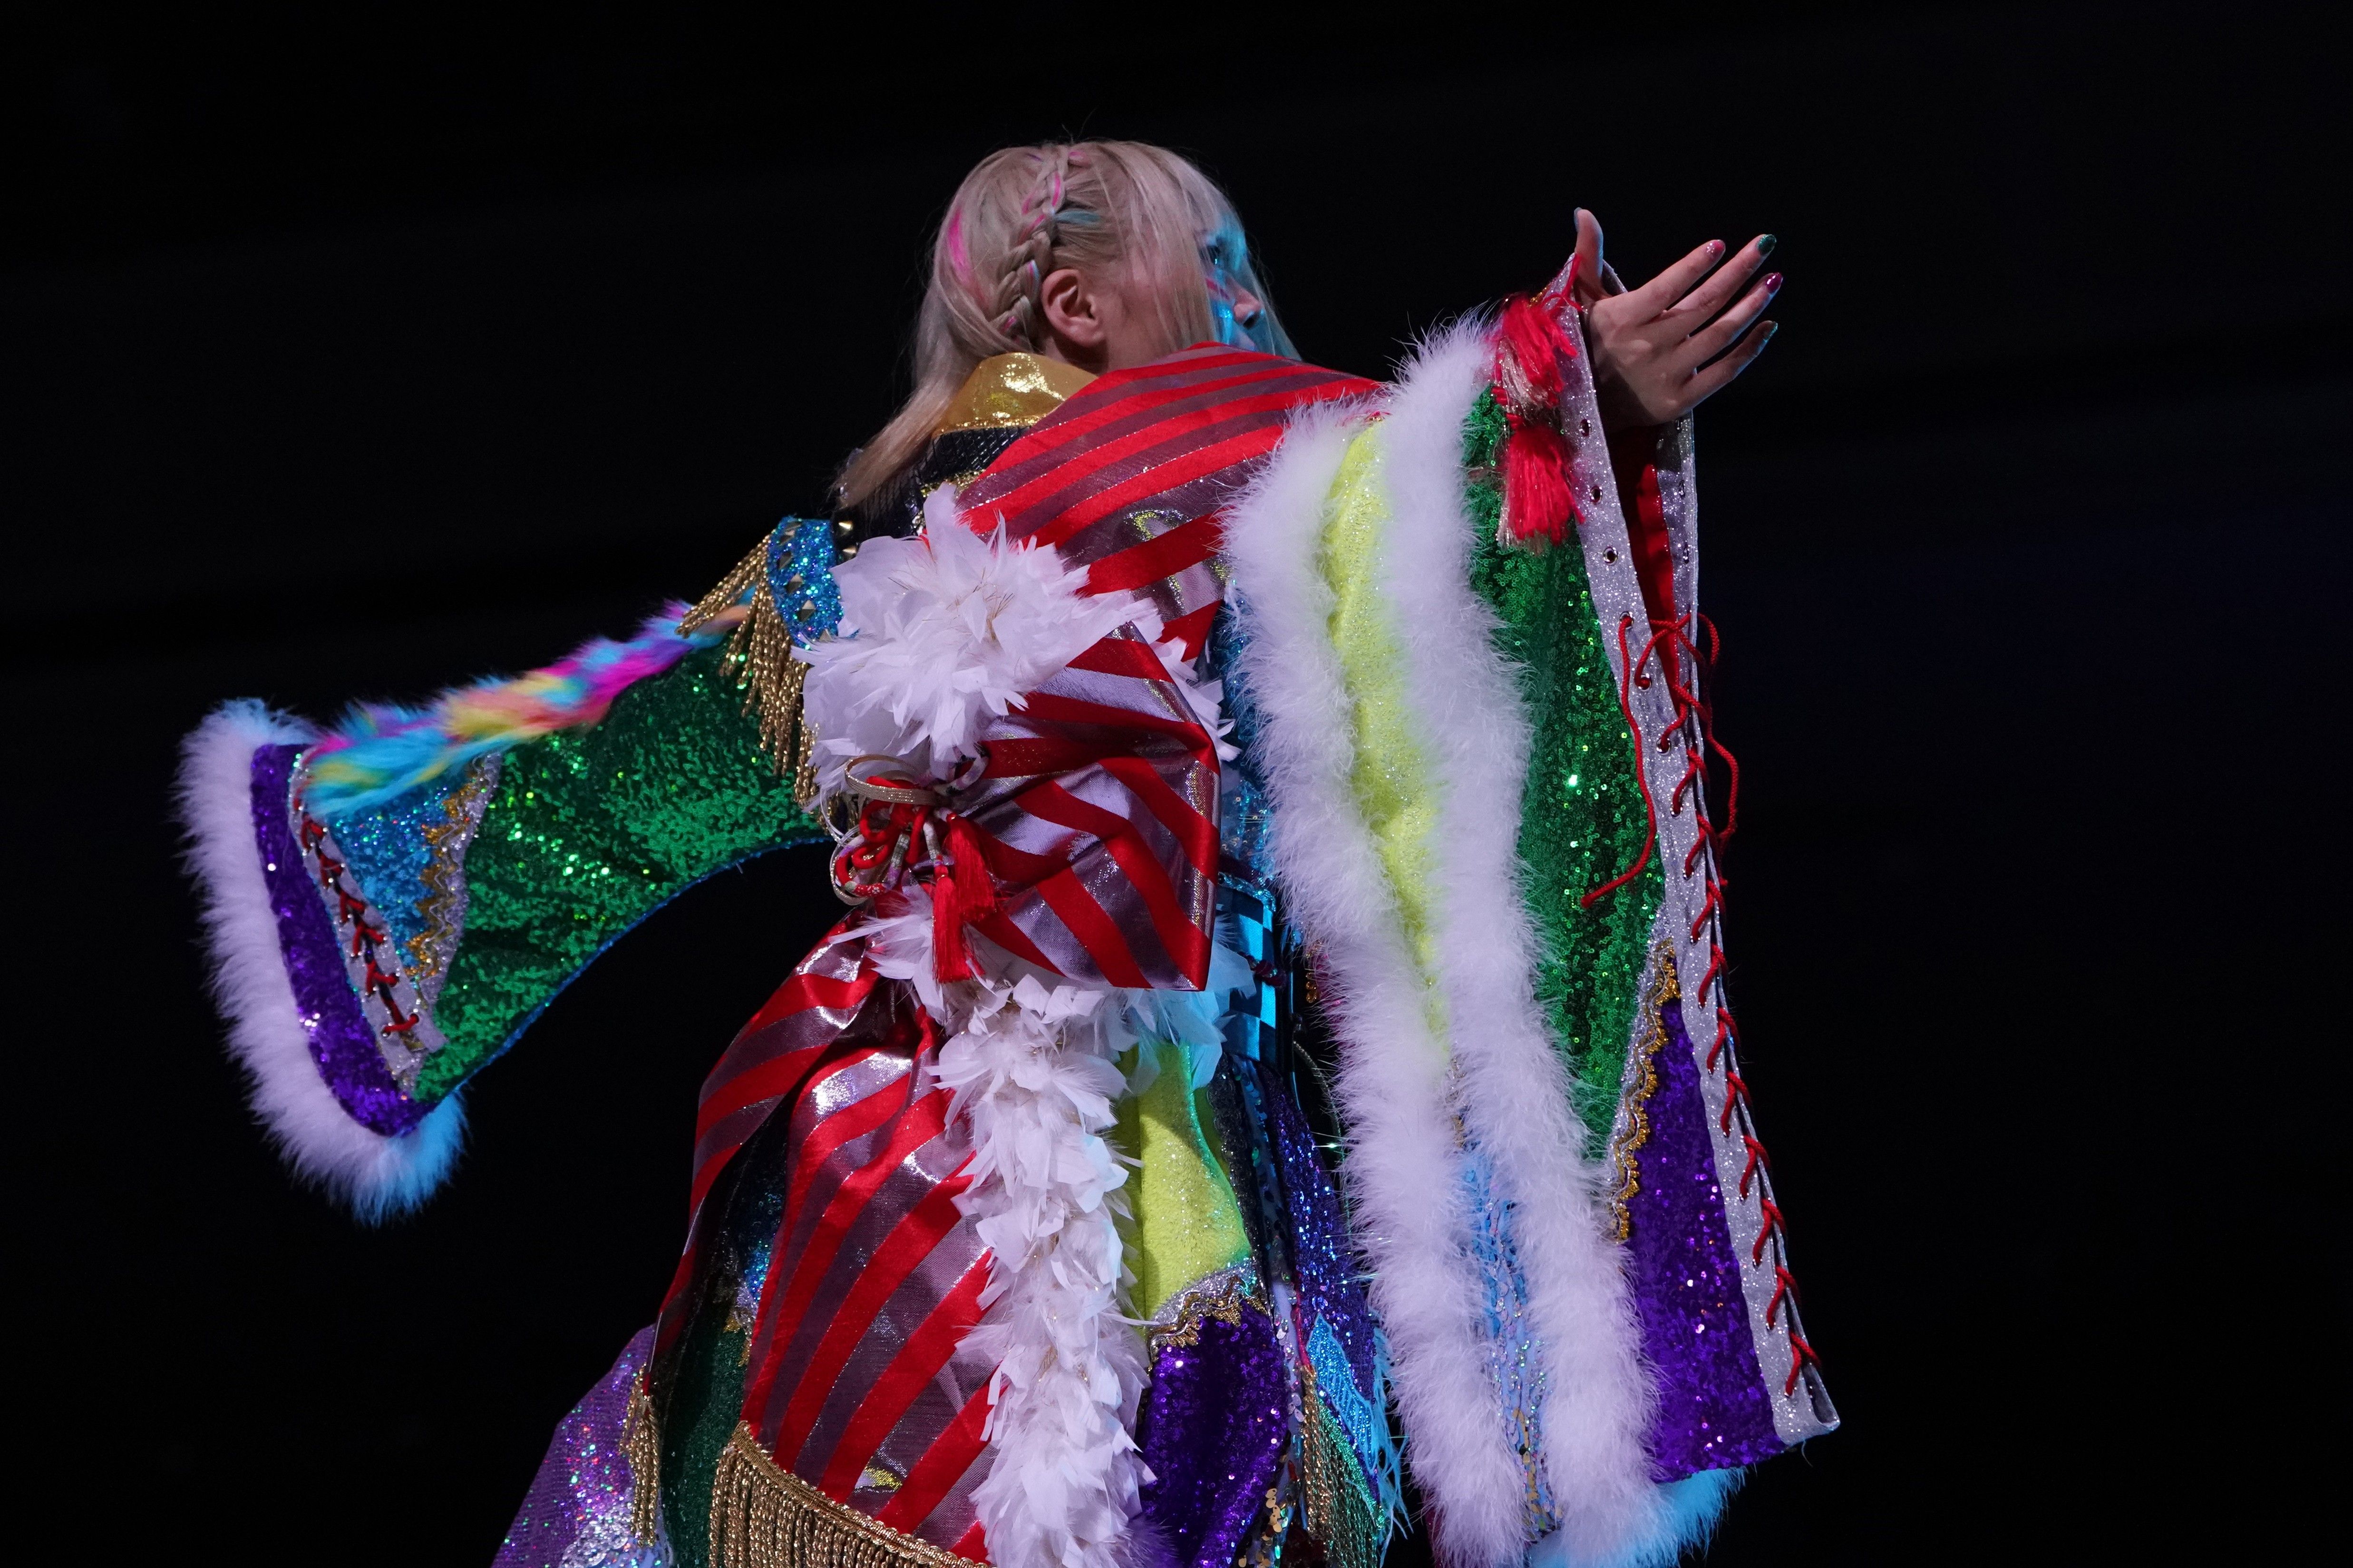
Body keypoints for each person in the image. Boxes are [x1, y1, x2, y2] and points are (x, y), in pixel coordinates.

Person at [180, 139, 1833, 1568]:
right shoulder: (1151, 490)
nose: (1253, 300)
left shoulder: (902, 560)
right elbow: (1396, 479)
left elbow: (594, 773)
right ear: (1077, 308)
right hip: (987, 1144)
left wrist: (360, 886)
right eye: (1216, 261)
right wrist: (1542, 410)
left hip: (1113, 1132)